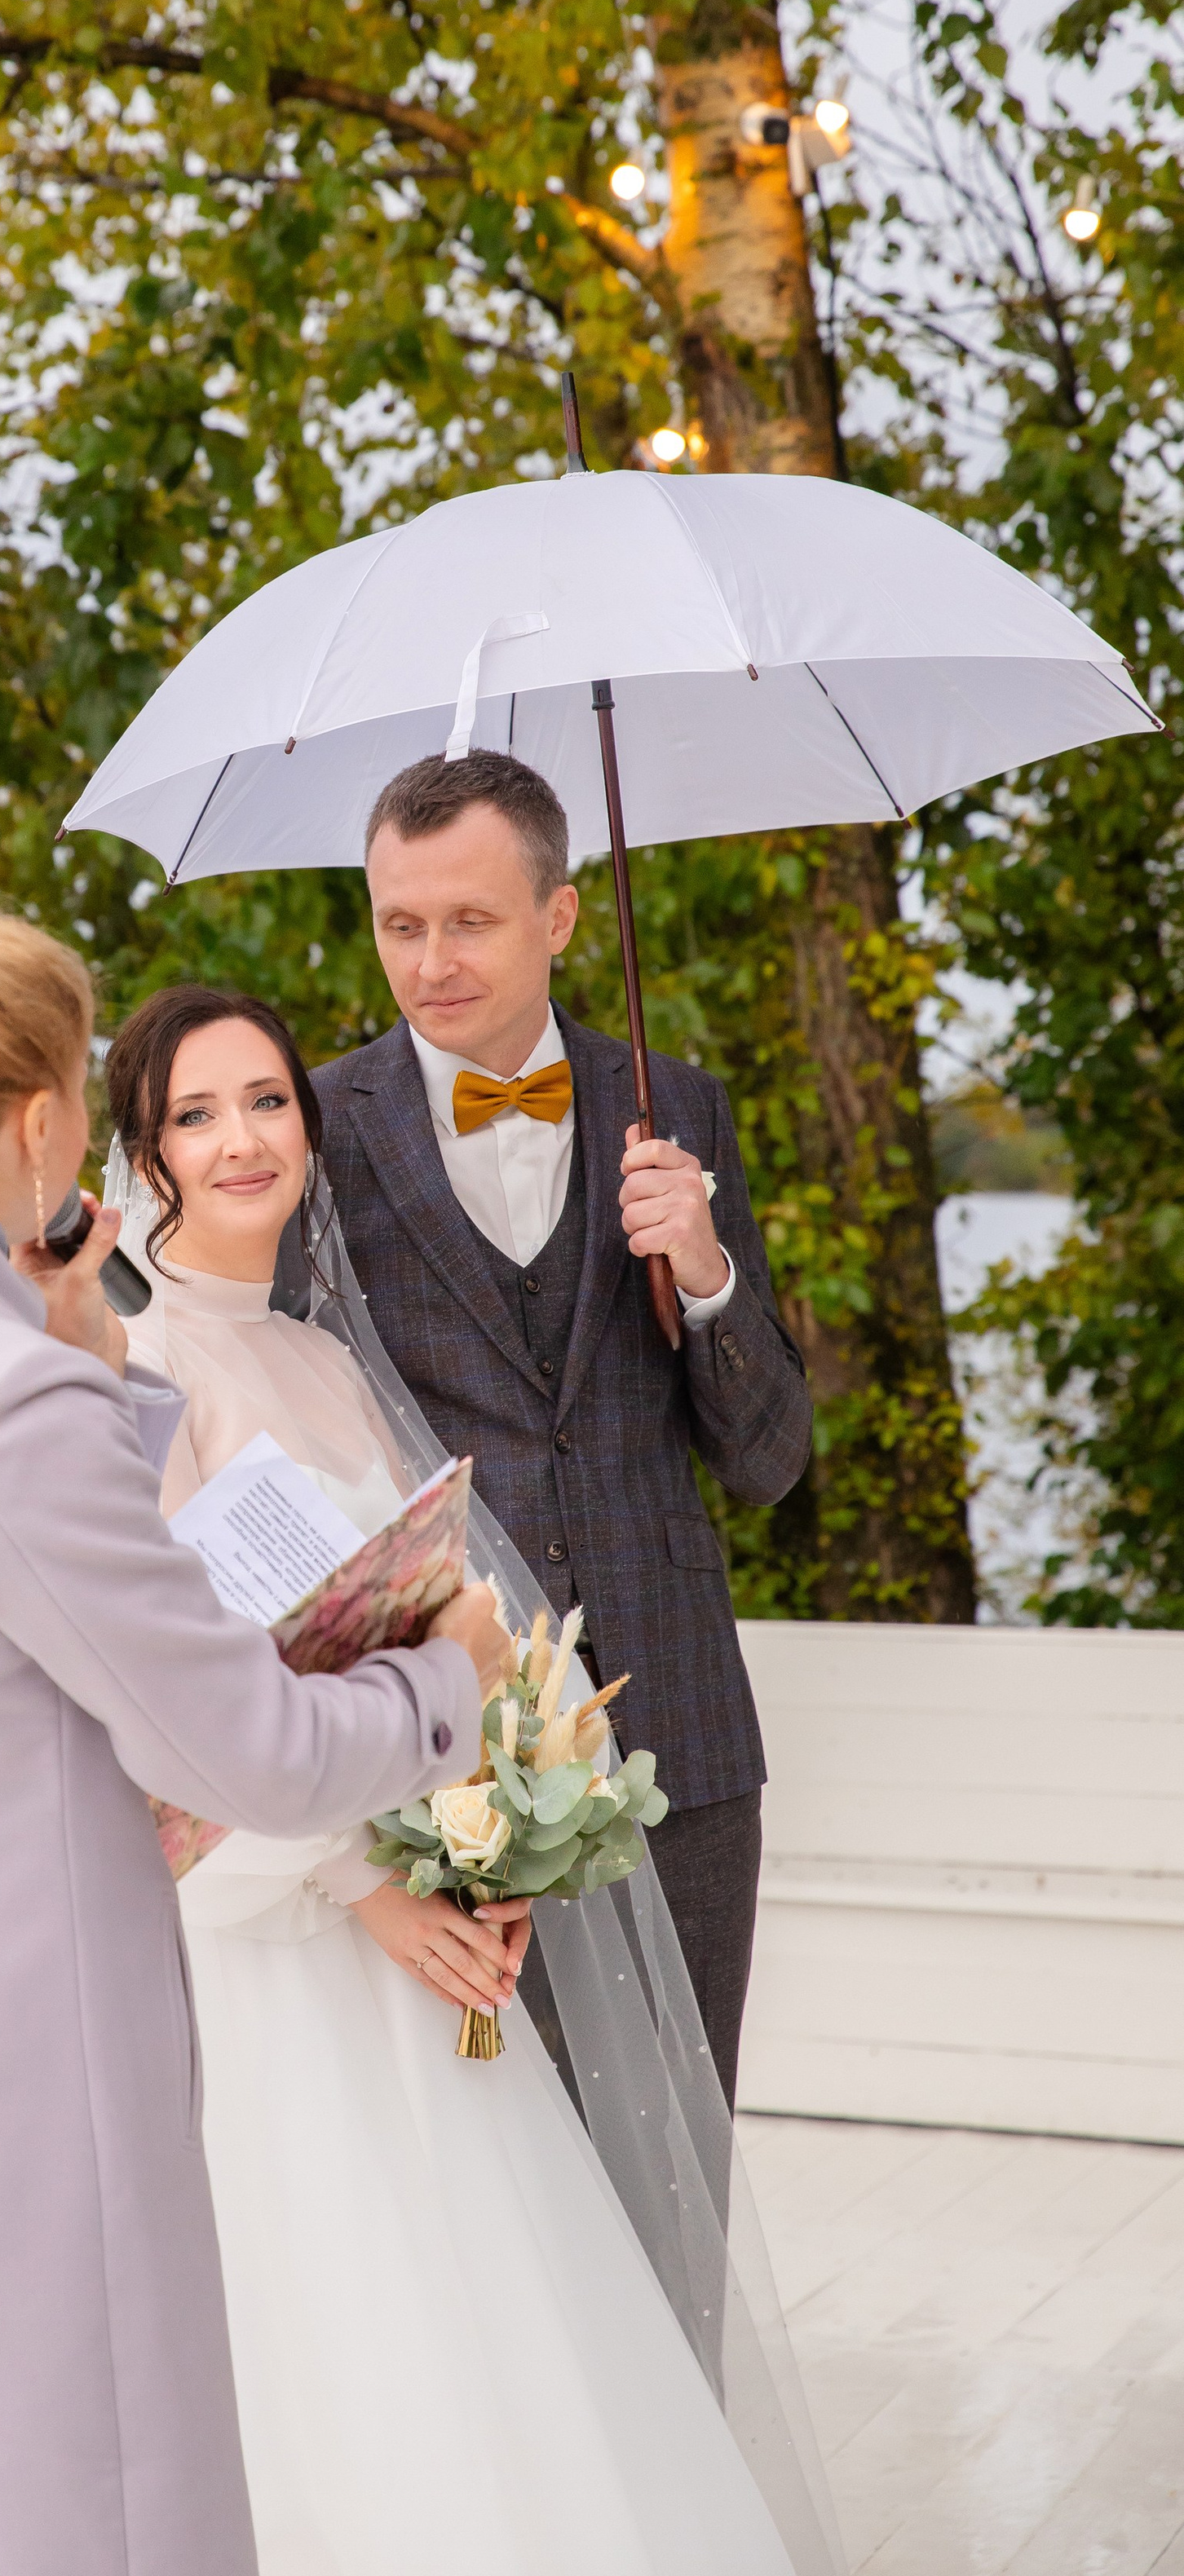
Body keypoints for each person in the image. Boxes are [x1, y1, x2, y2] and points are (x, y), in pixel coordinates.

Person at [0, 909, 510, 2576]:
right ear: (41, 1123)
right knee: (83, 2510)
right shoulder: (1, 1402)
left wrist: (88, 1367)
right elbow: (253, 1758)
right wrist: (453, 1678)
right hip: (20, 2038)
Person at [104, 984, 837, 2576]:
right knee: (336, 2347)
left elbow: (436, 1619)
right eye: (190, 1114)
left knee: (512, 2344)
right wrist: (361, 1887)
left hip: (430, 1926)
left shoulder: (316, 1354)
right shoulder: (137, 1379)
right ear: (136, 1154)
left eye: (263, 1101)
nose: (238, 1138)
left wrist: (485, 1845)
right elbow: (161, 1714)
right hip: (278, 1951)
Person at [310, 748, 814, 2104]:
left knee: (676, 2159)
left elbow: (770, 1462)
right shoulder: (307, 1131)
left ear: (562, 916)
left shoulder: (680, 1106)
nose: (428, 963)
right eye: (398, 923)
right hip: (441, 1752)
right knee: (497, 2194)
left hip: (683, 1738)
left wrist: (704, 1276)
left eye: (468, 920)